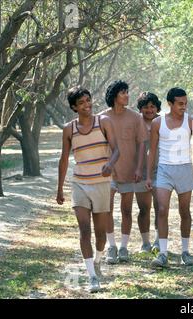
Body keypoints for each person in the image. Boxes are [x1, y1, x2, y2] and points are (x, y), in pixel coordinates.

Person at [56, 86, 119, 292]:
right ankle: (92, 276)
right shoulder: (69, 129)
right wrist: (59, 189)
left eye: (88, 100)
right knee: (84, 229)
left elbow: (117, 149)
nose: (87, 105)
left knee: (100, 234)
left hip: (101, 183)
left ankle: (98, 260)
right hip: (80, 184)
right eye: (81, 103)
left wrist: (110, 164)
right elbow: (64, 159)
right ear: (74, 107)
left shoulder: (104, 122)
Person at [146, 87, 193, 268]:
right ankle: (162, 253)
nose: (183, 106)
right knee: (162, 210)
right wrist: (148, 176)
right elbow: (152, 151)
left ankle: (185, 252)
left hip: (184, 169)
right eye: (179, 103)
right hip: (164, 170)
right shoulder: (157, 123)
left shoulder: (191, 122)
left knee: (184, 212)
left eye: (185, 103)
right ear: (170, 104)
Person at [101, 80, 148, 264]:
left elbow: (142, 144)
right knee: (107, 208)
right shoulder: (102, 118)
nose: (127, 96)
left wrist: (138, 168)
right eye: (123, 93)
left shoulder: (136, 118)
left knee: (127, 210)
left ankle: (124, 247)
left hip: (129, 171)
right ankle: (111, 246)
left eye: (127, 92)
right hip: (108, 171)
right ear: (114, 96)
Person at [136, 92, 161, 253]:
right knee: (144, 208)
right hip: (141, 172)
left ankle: (159, 241)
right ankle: (145, 243)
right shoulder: (136, 123)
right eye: (145, 107)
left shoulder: (163, 122)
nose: (149, 110)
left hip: (161, 170)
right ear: (141, 108)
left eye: (152, 106)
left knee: (161, 207)